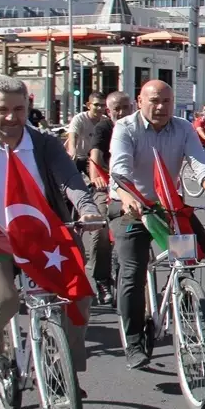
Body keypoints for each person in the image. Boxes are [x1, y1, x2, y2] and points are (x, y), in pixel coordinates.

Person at [0, 76, 103, 394]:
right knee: (3, 300)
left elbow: (71, 180)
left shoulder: (44, 143)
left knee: (80, 294)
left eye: (19, 109)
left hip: (41, 238)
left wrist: (87, 208)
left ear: (28, 108)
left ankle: (62, 370)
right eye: (2, 109)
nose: (11, 117)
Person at [110, 81, 205, 370]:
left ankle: (178, 291)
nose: (161, 107)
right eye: (154, 100)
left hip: (167, 207)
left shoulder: (183, 128)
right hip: (131, 205)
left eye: (167, 101)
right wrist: (129, 199)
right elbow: (120, 170)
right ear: (140, 101)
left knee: (191, 252)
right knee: (133, 270)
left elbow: (200, 165)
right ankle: (135, 340)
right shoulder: (125, 128)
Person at [86, 91, 133, 301]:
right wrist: (97, 178)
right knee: (101, 229)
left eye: (125, 107)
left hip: (134, 187)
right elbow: (95, 155)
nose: (122, 112)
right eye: (117, 109)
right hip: (106, 185)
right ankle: (102, 280)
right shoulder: (104, 128)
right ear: (109, 111)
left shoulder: (139, 126)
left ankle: (179, 280)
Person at [65, 91, 106, 176]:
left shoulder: (105, 121)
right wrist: (72, 150)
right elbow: (72, 136)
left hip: (94, 159)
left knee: (100, 183)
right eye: (96, 105)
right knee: (72, 181)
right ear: (88, 105)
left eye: (103, 105)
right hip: (78, 157)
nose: (100, 108)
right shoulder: (79, 119)